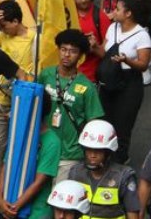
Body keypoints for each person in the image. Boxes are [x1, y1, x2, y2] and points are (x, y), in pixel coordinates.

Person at [38, 29, 104, 177]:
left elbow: (94, 123)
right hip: (44, 148)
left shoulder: (87, 86)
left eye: (73, 51)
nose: (66, 55)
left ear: (80, 56)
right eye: (63, 49)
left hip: (70, 155)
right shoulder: (45, 75)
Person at [97, 0, 151, 164]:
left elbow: (143, 65)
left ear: (128, 14)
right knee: (105, 121)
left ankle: (120, 161)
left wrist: (126, 61)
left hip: (129, 83)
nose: (114, 11)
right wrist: (93, 46)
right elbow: (103, 54)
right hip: (109, 82)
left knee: (123, 124)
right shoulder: (112, 28)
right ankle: (105, 158)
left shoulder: (142, 35)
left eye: (118, 9)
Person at [0, 0, 35, 160]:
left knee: (18, 146)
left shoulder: (34, 38)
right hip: (1, 99)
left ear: (16, 21)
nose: (1, 29)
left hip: (22, 99)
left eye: (4, 25)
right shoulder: (1, 35)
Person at [0, 99, 59, 219]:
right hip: (8, 204)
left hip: (36, 212)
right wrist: (0, 198)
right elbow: (6, 166)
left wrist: (14, 207)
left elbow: (39, 182)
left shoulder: (52, 141)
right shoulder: (18, 134)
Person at [65, 120, 140, 219]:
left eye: (98, 151)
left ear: (108, 152)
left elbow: (133, 214)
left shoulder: (123, 177)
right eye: (88, 150)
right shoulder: (75, 173)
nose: (92, 155)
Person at [71, 0, 110, 82]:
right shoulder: (66, 16)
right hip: (68, 75)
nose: (83, 0)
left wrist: (95, 47)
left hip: (90, 78)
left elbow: (106, 55)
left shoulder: (101, 17)